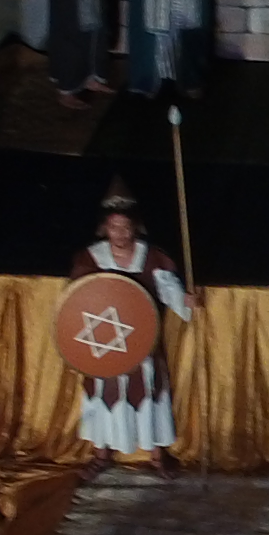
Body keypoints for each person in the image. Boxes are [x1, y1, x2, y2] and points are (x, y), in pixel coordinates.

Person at [69, 177, 197, 470]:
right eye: (114, 227)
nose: (120, 233)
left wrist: (184, 301)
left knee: (148, 392)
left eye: (125, 227)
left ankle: (157, 455)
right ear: (105, 228)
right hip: (105, 344)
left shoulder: (151, 257)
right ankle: (101, 454)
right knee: (104, 394)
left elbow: (168, 289)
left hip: (142, 343)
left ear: (135, 227)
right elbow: (78, 300)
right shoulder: (90, 259)